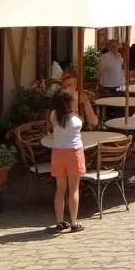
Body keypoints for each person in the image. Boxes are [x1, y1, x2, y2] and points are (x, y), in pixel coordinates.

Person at [49, 89, 86, 233]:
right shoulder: (76, 121)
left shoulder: (53, 116)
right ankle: (74, 222)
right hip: (74, 153)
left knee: (60, 190)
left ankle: (59, 221)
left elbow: (59, 117)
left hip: (58, 153)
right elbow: (77, 121)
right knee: (74, 190)